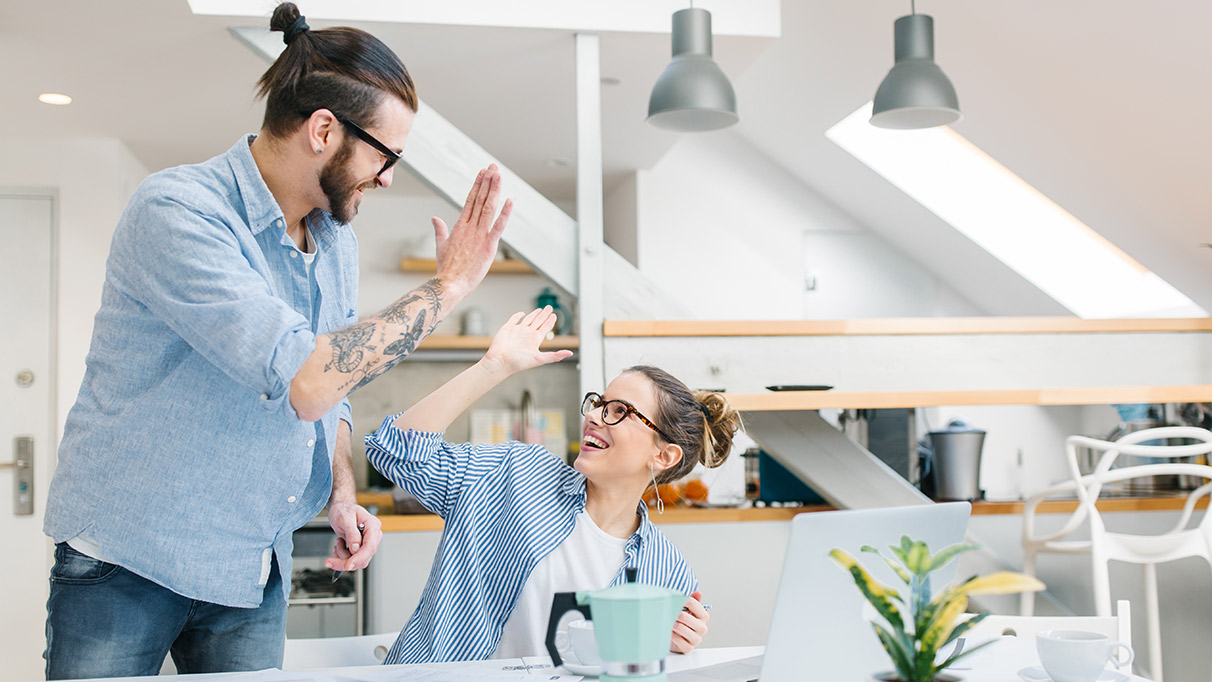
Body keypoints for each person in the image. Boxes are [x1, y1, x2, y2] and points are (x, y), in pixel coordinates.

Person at [41, 3, 512, 678]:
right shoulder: (179, 211)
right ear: (324, 130)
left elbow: (335, 393)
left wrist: (342, 493)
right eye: (385, 154)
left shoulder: (334, 241)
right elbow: (309, 378)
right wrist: (449, 288)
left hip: (251, 564)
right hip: (128, 559)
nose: (387, 176)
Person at [364, 307, 741, 664]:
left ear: (663, 456)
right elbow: (394, 452)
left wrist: (677, 646)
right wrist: (492, 367)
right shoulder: (517, 472)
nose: (593, 416)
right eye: (599, 403)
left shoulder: (666, 572)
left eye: (619, 411)